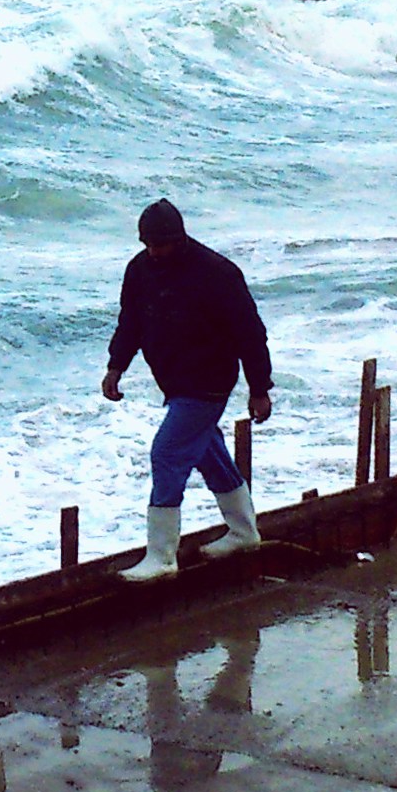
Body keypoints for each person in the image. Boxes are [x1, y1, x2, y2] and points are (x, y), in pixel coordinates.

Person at [100, 199, 272, 580]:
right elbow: (130, 321)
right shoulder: (140, 269)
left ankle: (161, 557)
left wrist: (259, 388)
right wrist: (116, 366)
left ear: (178, 238)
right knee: (208, 452)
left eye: (159, 245)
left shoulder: (217, 273)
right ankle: (244, 532)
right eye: (147, 244)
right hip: (174, 380)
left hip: (209, 381)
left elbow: (250, 333)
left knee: (166, 453)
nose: (153, 252)